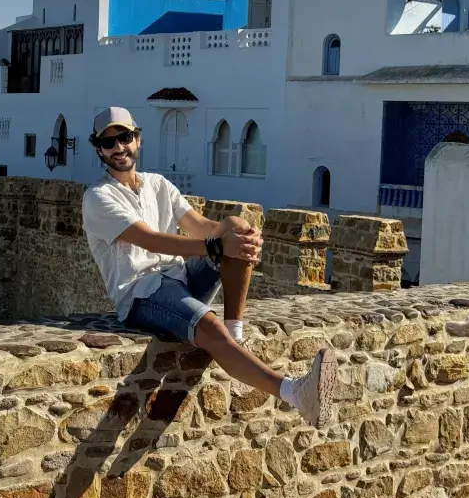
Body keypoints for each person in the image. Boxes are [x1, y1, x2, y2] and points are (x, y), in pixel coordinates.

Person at [81, 107, 335, 428]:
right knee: (210, 326)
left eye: (125, 137)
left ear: (138, 139)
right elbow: (151, 241)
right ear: (99, 150)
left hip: (179, 281)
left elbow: (200, 226)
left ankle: (234, 334)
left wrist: (239, 236)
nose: (119, 147)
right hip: (141, 295)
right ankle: (296, 394)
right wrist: (217, 247)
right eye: (109, 143)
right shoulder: (98, 197)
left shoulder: (158, 185)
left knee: (237, 225)